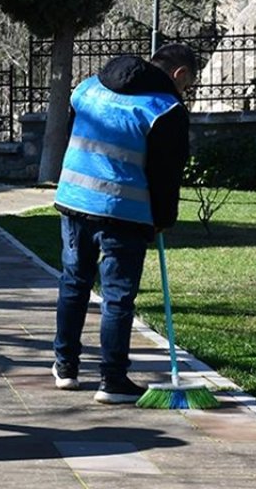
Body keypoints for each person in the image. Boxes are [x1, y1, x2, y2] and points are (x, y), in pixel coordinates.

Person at [51, 43, 197, 404]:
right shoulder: (165, 110)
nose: (185, 91)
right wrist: (163, 220)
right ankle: (112, 380)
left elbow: (72, 137)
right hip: (123, 211)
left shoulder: (87, 87)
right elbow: (166, 174)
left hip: (74, 200)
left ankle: (65, 367)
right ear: (178, 75)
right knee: (117, 297)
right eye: (187, 84)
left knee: (74, 282)